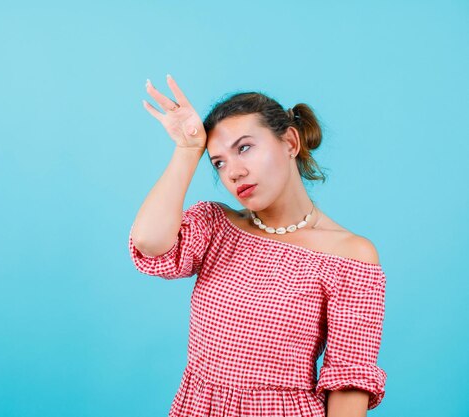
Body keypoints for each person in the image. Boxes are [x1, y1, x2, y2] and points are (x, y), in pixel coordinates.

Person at [128, 74, 387, 417]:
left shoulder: (350, 255)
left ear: (290, 142)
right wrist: (188, 149)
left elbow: (348, 383)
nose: (233, 172)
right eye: (218, 162)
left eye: (245, 147)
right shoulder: (216, 226)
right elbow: (149, 241)